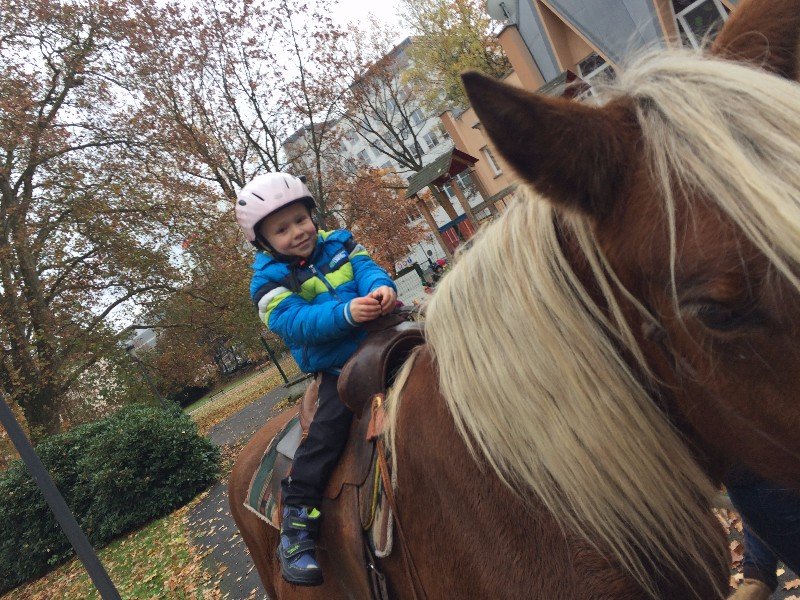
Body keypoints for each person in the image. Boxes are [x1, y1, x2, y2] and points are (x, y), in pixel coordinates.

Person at [234, 172, 397, 586]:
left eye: (300, 220)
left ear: (313, 215)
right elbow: (294, 323)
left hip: (385, 338)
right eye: (282, 229)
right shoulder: (267, 283)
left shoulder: (340, 243)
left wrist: (381, 288)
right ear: (263, 242)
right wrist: (345, 314)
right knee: (326, 435)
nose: (297, 232)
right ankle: (297, 524)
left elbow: (368, 269)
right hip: (341, 366)